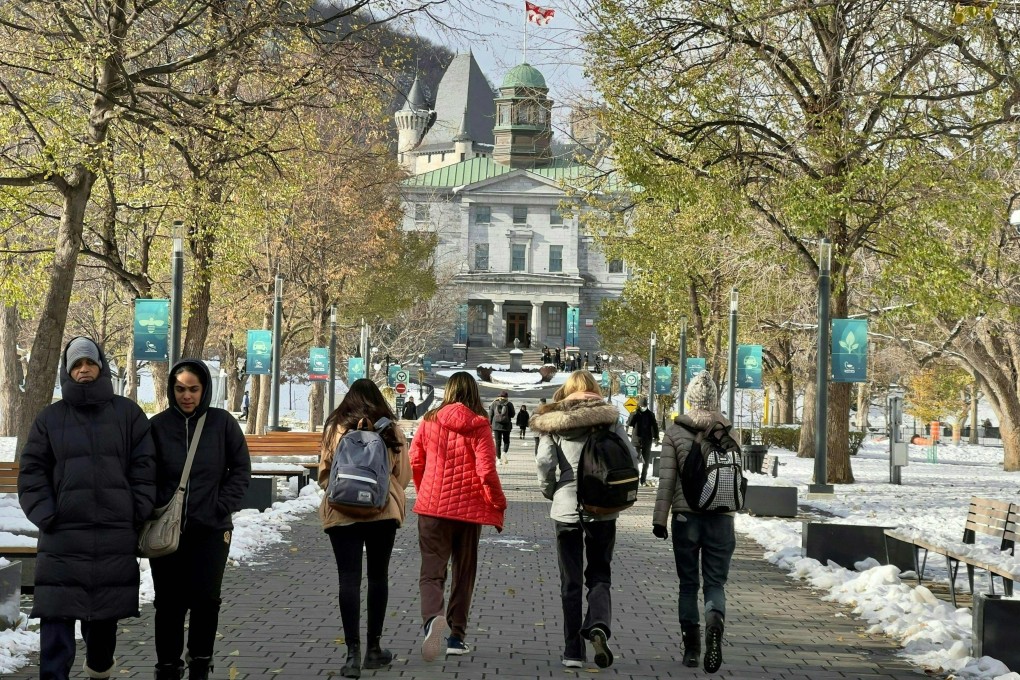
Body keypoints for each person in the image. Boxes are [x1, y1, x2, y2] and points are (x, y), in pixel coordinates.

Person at [18, 337, 157, 680]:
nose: (83, 370)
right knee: (56, 616)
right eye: (76, 365)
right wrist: (48, 514)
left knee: (102, 622)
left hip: (112, 534)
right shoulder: (50, 418)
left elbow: (146, 467)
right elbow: (32, 470)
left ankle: (99, 670)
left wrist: (135, 509)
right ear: (68, 371)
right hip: (63, 536)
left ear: (100, 367)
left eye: (89, 363)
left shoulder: (127, 414)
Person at [149, 360, 251, 680]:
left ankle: (200, 663)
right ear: (171, 390)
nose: (187, 396)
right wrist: (154, 505)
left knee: (206, 600)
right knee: (168, 603)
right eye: (180, 389)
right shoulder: (157, 426)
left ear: (205, 389)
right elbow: (144, 472)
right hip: (168, 529)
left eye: (193, 389)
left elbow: (240, 470)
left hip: (211, 529)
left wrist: (221, 506)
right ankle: (167, 665)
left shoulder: (221, 423)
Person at [532, 371, 639, 670]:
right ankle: (598, 624)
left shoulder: (554, 420)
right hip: (603, 506)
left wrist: (551, 490)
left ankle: (572, 651)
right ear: (594, 390)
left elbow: (544, 462)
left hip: (566, 507)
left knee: (570, 580)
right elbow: (630, 456)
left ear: (567, 391)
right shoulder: (610, 418)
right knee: (600, 572)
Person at [409, 372, 507, 662]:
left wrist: (424, 490)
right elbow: (486, 471)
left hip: (431, 508)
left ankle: (431, 620)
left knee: (432, 570)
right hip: (468, 511)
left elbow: (416, 460)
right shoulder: (479, 425)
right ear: (474, 393)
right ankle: (456, 637)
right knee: (463, 573)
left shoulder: (428, 421)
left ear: (449, 391)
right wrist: (497, 502)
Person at [318, 379, 412, 678]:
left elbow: (324, 472)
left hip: (342, 512)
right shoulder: (390, 429)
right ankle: (374, 649)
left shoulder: (336, 428)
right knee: (378, 577)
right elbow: (403, 475)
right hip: (382, 511)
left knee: (348, 580)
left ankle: (351, 653)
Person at [652, 371, 737, 673]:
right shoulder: (729, 431)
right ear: (714, 399)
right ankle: (715, 618)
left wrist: (659, 520)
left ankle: (691, 650)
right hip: (721, 518)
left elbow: (666, 480)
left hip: (685, 518)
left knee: (688, 585)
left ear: (689, 398)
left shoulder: (675, 432)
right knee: (715, 583)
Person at [626, 396, 660, 486]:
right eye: (641, 406)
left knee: (646, 461)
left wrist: (656, 437)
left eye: (644, 406)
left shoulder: (650, 414)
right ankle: (634, 479)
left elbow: (655, 426)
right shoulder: (635, 414)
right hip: (636, 440)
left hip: (647, 441)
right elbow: (629, 424)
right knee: (635, 460)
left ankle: (643, 479)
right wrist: (634, 413)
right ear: (639, 405)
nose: (643, 408)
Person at [488, 390, 515, 463]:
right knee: (506, 441)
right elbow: (513, 415)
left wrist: (490, 425)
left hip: (496, 426)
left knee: (498, 443)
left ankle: (499, 460)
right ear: (506, 397)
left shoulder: (494, 403)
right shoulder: (509, 404)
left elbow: (490, 415)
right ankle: (504, 453)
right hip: (506, 426)